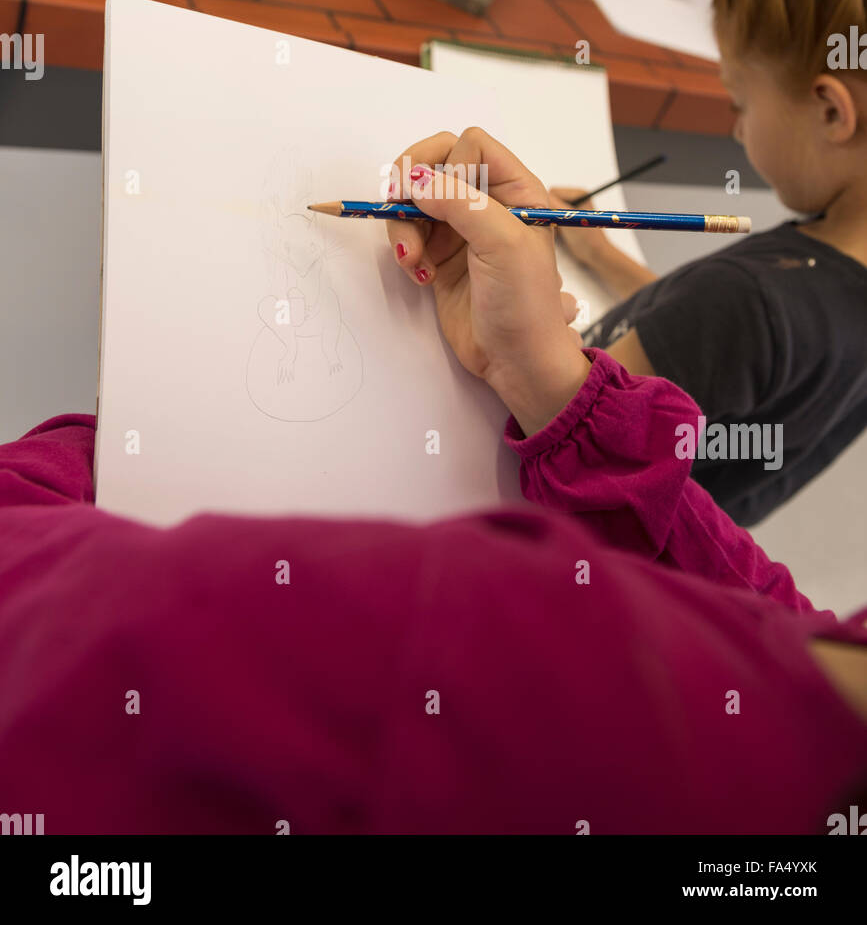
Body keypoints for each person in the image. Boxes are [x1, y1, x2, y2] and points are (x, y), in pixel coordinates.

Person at [1, 127, 866, 835]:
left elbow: (46, 626)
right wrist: (551, 385)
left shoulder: (489, 646)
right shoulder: (808, 682)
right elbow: (774, 621)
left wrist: (138, 426)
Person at [552, 0, 867, 527]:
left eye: (740, 101)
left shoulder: (750, 299)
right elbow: (699, 347)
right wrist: (598, 251)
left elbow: (567, 428)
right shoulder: (812, 282)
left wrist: (510, 270)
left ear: (832, 111)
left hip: (571, 531)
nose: (736, 130)